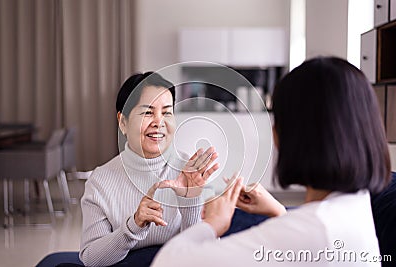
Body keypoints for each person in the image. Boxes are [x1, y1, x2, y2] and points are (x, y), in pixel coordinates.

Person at [151, 57, 391, 266]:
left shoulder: (314, 231)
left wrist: (214, 222)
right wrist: (279, 212)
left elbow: (168, 262)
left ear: (289, 134)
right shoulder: (354, 206)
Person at [79, 72, 219, 267]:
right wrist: (133, 226)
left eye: (167, 112)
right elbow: (91, 259)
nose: (159, 122)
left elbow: (207, 254)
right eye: (148, 112)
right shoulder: (100, 182)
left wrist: (191, 201)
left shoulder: (194, 173)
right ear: (123, 122)